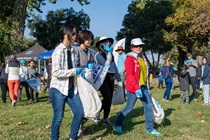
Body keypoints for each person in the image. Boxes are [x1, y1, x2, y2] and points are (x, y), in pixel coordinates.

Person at [113, 38, 162, 136]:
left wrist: (145, 86)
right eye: (136, 46)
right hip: (133, 88)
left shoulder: (142, 58)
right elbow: (130, 75)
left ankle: (150, 129)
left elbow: (144, 74)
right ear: (132, 47)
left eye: (140, 46)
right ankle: (117, 124)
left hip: (143, 87)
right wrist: (136, 88)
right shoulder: (129, 59)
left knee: (148, 107)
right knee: (129, 108)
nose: (138, 48)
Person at [50, 24, 84, 140]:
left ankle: (72, 137)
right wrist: (74, 71)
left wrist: (82, 70)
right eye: (73, 33)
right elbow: (56, 72)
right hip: (58, 89)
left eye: (76, 33)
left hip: (71, 88)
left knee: (79, 112)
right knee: (58, 117)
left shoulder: (74, 51)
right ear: (65, 35)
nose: (75, 36)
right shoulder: (58, 51)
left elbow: (74, 70)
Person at [94, 36, 121, 124]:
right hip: (102, 79)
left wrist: (118, 76)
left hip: (111, 78)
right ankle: (96, 113)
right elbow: (107, 65)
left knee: (109, 100)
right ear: (101, 44)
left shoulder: (110, 54)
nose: (108, 44)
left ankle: (106, 118)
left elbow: (113, 66)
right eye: (106, 42)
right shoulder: (98, 55)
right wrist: (109, 53)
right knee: (107, 98)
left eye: (109, 42)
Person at [75, 29, 95, 137]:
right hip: (79, 81)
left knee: (88, 105)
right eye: (87, 39)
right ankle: (79, 129)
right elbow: (74, 66)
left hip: (88, 81)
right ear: (82, 39)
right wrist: (83, 68)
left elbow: (93, 65)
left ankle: (81, 126)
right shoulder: (76, 50)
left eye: (90, 39)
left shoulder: (91, 52)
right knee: (80, 107)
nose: (89, 41)